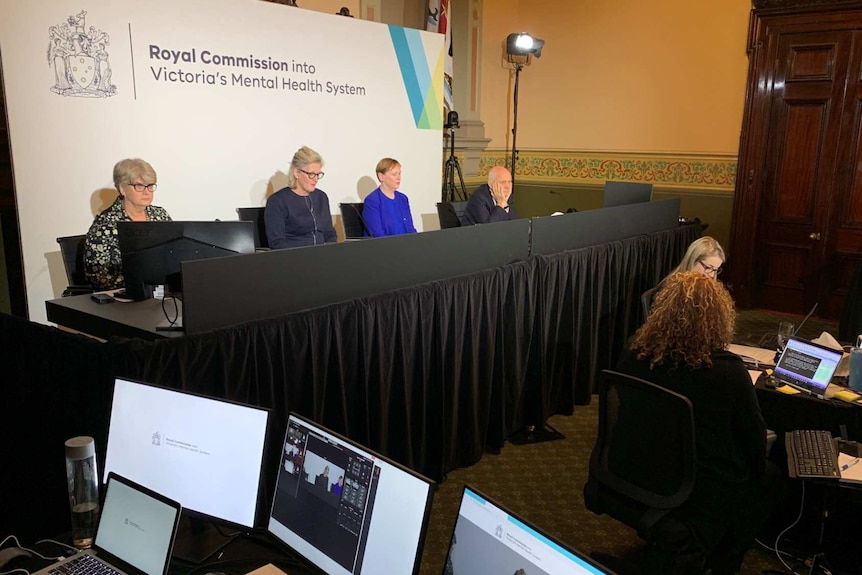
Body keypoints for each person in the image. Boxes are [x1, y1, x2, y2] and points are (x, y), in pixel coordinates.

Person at [617, 272, 782, 575]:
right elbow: (754, 439)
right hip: (694, 488)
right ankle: (722, 563)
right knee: (768, 475)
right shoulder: (727, 373)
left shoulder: (633, 353)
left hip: (632, 469)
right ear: (719, 319)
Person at [84, 158, 172, 290]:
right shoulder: (105, 224)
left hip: (162, 293)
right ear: (122, 189)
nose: (147, 191)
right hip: (123, 296)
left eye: (150, 185)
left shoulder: (160, 215)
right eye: (139, 186)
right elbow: (98, 276)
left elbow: (174, 254)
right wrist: (144, 281)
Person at [265, 146, 337, 249]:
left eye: (318, 174)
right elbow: (277, 243)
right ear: (296, 173)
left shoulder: (321, 197)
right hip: (295, 258)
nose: (315, 179)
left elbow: (330, 234)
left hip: (323, 257)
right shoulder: (278, 201)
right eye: (311, 174)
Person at [362, 158, 417, 237]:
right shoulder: (372, 201)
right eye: (394, 174)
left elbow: (410, 228)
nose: (398, 178)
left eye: (399, 174)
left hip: (405, 245)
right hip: (384, 247)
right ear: (381, 177)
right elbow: (377, 234)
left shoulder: (403, 198)